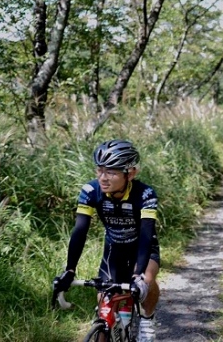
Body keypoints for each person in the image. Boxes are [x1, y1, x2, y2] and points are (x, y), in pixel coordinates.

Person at [53, 140, 160, 342]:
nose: (103, 177)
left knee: (146, 280)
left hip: (142, 248)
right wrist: (69, 270)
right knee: (104, 307)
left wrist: (138, 275)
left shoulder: (145, 194)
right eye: (100, 170)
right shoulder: (90, 191)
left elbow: (147, 234)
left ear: (131, 173)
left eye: (111, 172)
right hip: (114, 250)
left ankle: (147, 319)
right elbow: (80, 231)